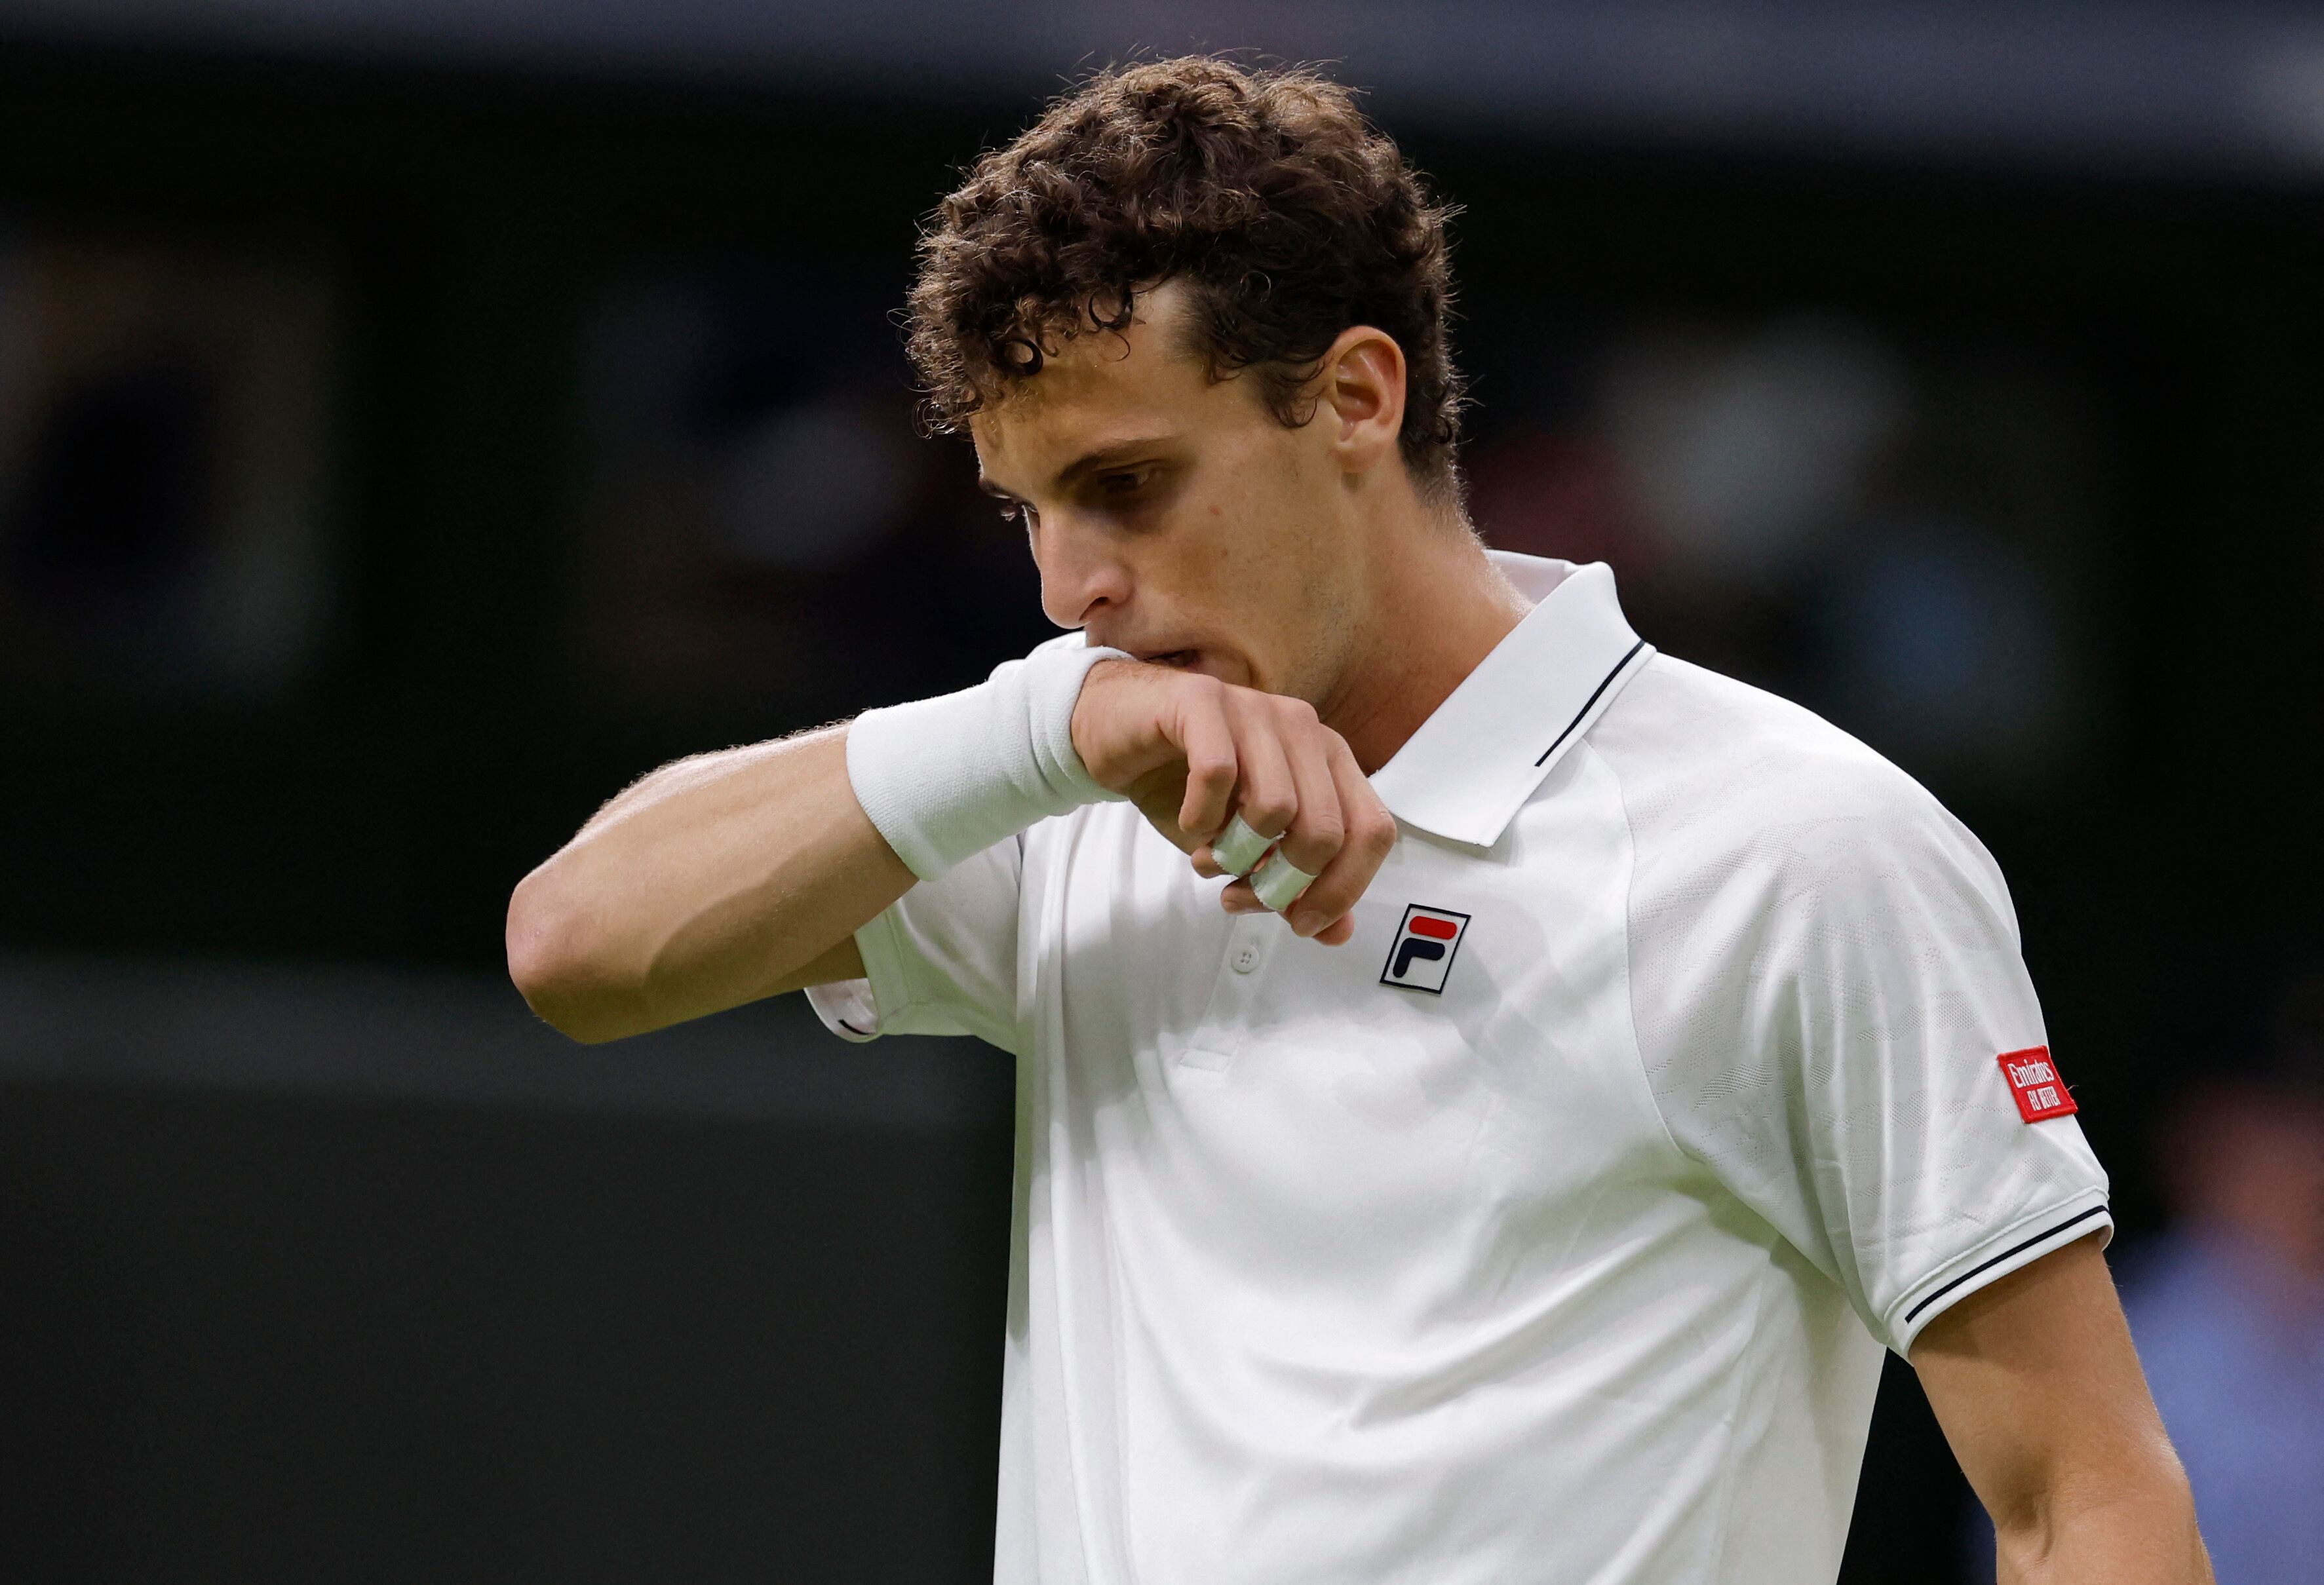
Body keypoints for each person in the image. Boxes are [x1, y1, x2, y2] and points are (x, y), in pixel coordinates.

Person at [506, 58, 2208, 1584]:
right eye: (1026, 510)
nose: (1071, 586)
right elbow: (577, 945)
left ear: (1353, 397)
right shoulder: (1071, 768)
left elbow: (2085, 1500)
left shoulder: (1796, 850)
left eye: (1126, 485)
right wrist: (1044, 725)